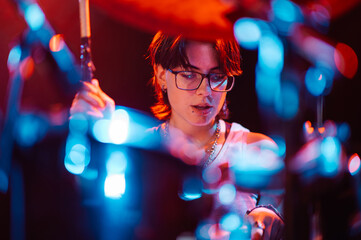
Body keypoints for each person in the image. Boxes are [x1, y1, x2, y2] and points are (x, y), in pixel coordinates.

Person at [70, 31, 284, 239]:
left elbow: (279, 216)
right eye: (189, 75)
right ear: (162, 75)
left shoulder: (258, 150)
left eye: (217, 76)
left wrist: (268, 216)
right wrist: (94, 138)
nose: (205, 91)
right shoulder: (139, 154)